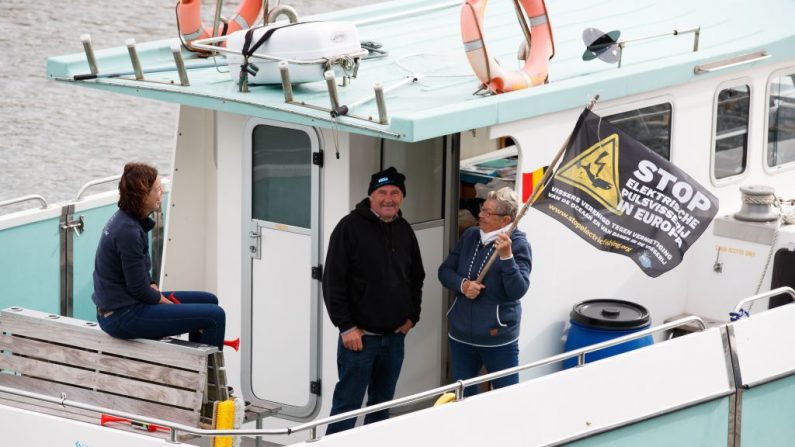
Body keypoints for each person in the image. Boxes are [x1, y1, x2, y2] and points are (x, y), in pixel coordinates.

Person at [322, 166, 425, 435]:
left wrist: (412, 317)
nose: (388, 198)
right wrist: (346, 327)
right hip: (359, 341)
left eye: (395, 192)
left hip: (394, 339)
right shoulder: (349, 228)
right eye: (382, 192)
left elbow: (417, 277)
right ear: (370, 196)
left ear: (402, 197)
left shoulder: (404, 229)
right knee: (347, 406)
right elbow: (333, 281)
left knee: (381, 406)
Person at [92, 162, 226, 350]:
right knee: (214, 316)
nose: (161, 192)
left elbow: (139, 277)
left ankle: (195, 367)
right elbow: (140, 290)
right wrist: (168, 304)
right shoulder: (128, 231)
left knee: (209, 300)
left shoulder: (127, 219)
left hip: (124, 305)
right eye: (157, 189)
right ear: (142, 194)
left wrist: (152, 283)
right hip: (121, 316)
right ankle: (206, 377)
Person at [438, 187, 531, 396]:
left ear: (505, 219)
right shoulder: (471, 235)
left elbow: (518, 290)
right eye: (482, 209)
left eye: (488, 213)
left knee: (505, 398)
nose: (480, 214)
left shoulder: (518, 244)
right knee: (463, 397)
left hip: (498, 339)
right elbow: (444, 271)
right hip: (460, 335)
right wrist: (463, 285)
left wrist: (507, 257)